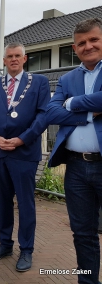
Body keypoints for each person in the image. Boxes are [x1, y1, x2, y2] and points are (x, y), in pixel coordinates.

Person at [0, 42, 51, 272]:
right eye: (9, 56)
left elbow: (43, 115)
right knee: (1, 202)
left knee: (25, 203)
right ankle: (4, 244)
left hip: (24, 152)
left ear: (24, 58)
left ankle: (27, 250)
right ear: (4, 61)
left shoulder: (40, 83)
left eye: (17, 56)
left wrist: (23, 138)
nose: (13, 59)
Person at [46, 18, 102, 284]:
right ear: (74, 48)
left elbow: (65, 107)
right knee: (82, 232)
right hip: (76, 167)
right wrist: (89, 114)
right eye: (82, 43)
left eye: (94, 40)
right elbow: (51, 111)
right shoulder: (68, 78)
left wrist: (74, 103)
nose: (88, 46)